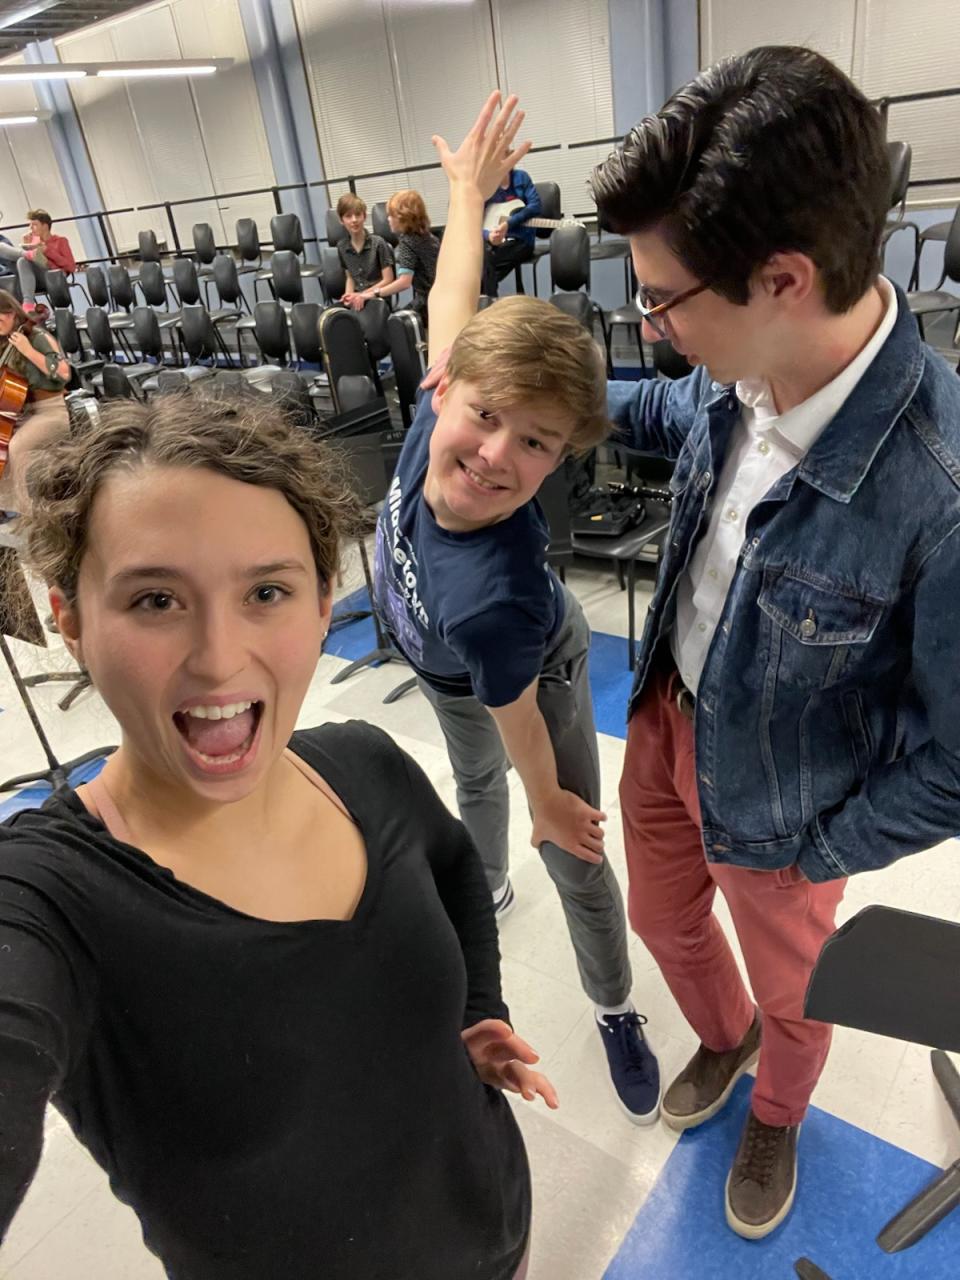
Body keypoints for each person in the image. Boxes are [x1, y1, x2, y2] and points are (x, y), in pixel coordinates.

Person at [0, 392, 557, 1279]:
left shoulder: (366, 765)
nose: (219, 657)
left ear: (325, 600)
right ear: (71, 621)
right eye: (154, 599)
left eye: (266, 592)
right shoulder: (49, 902)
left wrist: (477, 1010)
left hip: (495, 1230)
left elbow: (457, 872)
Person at [590, 44, 960, 1240]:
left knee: (798, 989)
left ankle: (780, 1107)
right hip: (667, 717)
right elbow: (663, 409)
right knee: (662, 918)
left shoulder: (939, 489)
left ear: (785, 279)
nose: (651, 324)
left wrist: (824, 846)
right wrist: (529, 398)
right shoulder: (739, 368)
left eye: (663, 299)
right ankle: (723, 1032)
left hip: (789, 803)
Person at [373, 92, 659, 1126]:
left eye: (535, 444)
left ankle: (615, 1004)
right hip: (446, 664)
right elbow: (452, 291)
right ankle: (483, 882)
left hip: (527, 672)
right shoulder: (444, 393)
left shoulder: (494, 597)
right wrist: (464, 194)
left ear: (558, 460)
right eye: (488, 415)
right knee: (469, 777)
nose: (496, 454)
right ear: (444, 385)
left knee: (569, 839)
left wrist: (548, 800)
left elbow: (522, 719)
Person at [0, 289, 70, 513]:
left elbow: (63, 373)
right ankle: (7, 506)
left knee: (17, 446)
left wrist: (28, 351)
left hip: (51, 412)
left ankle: (28, 511)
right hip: (21, 412)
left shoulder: (38, 337)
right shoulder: (3, 342)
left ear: (12, 313)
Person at [372, 188, 440, 327]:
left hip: (428, 303)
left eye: (391, 215)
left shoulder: (407, 242)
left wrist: (375, 293)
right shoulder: (430, 237)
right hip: (441, 298)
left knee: (395, 325)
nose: (388, 219)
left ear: (403, 217)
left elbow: (404, 282)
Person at [0, 209, 77, 313]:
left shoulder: (60, 241)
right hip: (33, 279)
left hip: (52, 277)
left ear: (45, 226)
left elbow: (71, 267)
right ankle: (28, 305)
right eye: (30, 225)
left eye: (34, 225)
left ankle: (28, 304)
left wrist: (47, 251)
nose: (31, 228)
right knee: (16, 257)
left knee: (23, 260)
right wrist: (26, 246)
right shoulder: (34, 242)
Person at [481, 168, 541, 297]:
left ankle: (488, 301)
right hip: (492, 242)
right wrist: (488, 235)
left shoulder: (521, 177)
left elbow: (535, 206)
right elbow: (474, 223)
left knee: (486, 269)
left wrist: (509, 224)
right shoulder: (485, 186)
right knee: (480, 262)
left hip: (521, 239)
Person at [336, 192, 396, 312]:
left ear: (364, 216)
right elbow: (350, 277)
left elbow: (388, 279)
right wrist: (348, 296)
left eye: (358, 215)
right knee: (333, 317)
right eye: (348, 216)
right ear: (341, 220)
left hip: (377, 298)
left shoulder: (378, 243)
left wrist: (363, 295)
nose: (354, 220)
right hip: (357, 298)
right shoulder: (341, 247)